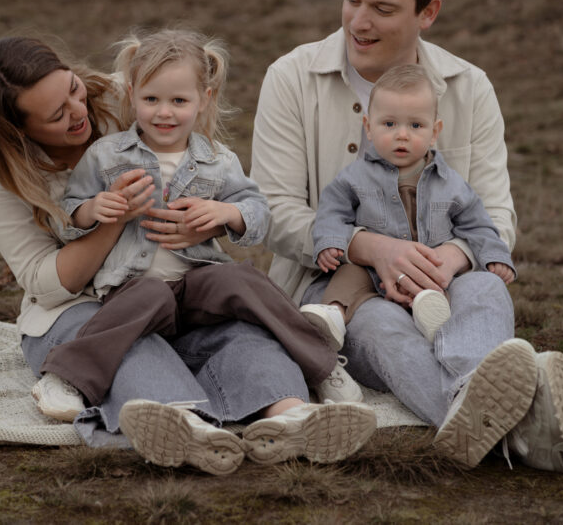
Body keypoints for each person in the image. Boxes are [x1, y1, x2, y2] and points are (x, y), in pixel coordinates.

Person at [250, 0, 563, 473]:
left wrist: (453, 257)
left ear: (427, 13)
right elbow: (274, 211)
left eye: (382, 9)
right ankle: (517, 428)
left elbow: (495, 214)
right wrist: (370, 248)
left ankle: (475, 404)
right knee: (380, 326)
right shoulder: (292, 77)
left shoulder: (469, 86)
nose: (359, 21)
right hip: (339, 286)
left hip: (446, 275)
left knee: (485, 288)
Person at [0, 35, 376, 476]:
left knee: (247, 325)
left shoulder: (141, 92)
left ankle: (295, 410)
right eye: (57, 114)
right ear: (20, 130)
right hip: (94, 300)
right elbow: (48, 268)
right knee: (135, 344)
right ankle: (183, 425)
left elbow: (249, 204)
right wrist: (111, 218)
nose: (79, 111)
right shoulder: (61, 159)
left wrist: (219, 218)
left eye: (73, 90)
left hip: (192, 279)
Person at [38, 28, 361, 416]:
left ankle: (323, 367)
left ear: (204, 100)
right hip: (133, 289)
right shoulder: (106, 156)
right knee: (151, 293)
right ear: (132, 96)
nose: (164, 112)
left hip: (198, 284)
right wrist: (93, 210)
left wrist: (228, 214)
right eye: (151, 99)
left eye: (179, 100)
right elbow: (66, 215)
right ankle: (66, 376)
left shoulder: (217, 160)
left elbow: (257, 211)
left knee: (241, 280)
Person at [302, 64, 516, 346]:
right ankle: (334, 314)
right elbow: (332, 211)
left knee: (449, 289)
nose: (402, 135)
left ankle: (434, 320)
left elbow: (478, 223)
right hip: (373, 270)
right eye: (389, 124)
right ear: (368, 127)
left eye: (415, 125)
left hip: (430, 269)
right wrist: (329, 241)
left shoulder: (450, 183)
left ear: (434, 131)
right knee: (348, 276)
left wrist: (495, 256)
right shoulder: (354, 178)